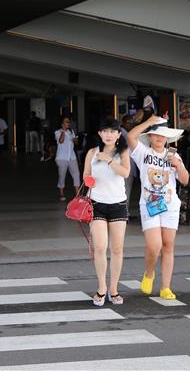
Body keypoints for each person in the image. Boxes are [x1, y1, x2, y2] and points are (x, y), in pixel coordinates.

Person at [127, 114, 189, 300]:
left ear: (167, 137)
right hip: (149, 204)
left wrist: (178, 166)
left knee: (168, 245)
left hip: (170, 205)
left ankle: (165, 287)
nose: (160, 137)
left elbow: (185, 180)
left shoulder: (173, 155)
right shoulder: (143, 153)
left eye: (163, 134)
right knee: (154, 245)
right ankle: (149, 273)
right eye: (156, 134)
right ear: (150, 136)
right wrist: (148, 122)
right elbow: (130, 137)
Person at [83, 118, 131, 306]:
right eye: (105, 131)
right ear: (100, 134)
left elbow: (125, 173)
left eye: (113, 131)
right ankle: (102, 287)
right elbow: (86, 175)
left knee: (117, 249)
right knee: (100, 247)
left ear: (119, 135)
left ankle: (114, 289)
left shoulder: (123, 152)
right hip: (96, 203)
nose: (109, 135)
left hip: (118, 204)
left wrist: (109, 160)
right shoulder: (92, 153)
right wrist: (89, 180)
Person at [55, 117, 80, 201]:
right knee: (62, 175)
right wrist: (63, 132)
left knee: (76, 174)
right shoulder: (57, 132)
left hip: (72, 157)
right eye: (66, 122)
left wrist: (75, 138)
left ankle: (77, 194)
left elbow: (76, 143)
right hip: (62, 158)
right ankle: (61, 193)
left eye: (69, 122)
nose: (68, 123)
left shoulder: (71, 131)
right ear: (62, 124)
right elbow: (61, 141)